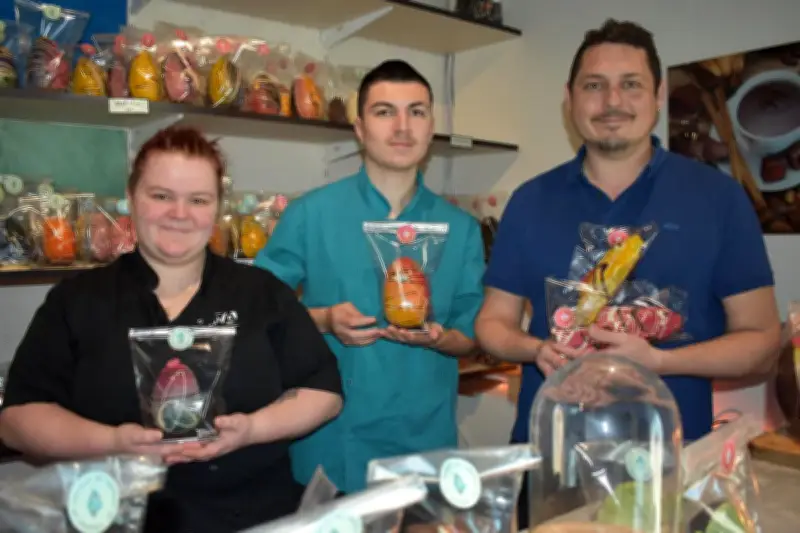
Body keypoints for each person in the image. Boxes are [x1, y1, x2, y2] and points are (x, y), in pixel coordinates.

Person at [473, 19, 781, 527]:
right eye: (594, 85)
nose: (612, 100)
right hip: (551, 465)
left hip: (673, 467)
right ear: (570, 98)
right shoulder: (530, 200)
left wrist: (659, 361)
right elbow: (492, 322)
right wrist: (536, 350)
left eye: (630, 84)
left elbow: (762, 342)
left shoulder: (718, 198)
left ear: (658, 95)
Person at [0, 126, 343, 533]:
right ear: (131, 198)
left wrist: (251, 430)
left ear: (217, 208)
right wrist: (113, 442)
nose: (179, 214)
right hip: (115, 515)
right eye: (161, 196)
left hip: (252, 516)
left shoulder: (263, 294)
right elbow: (18, 420)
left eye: (198, 200)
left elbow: (324, 392)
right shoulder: (77, 301)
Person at [255, 59, 485, 494]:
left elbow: (470, 333)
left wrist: (439, 338)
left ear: (431, 125)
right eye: (384, 112)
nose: (402, 126)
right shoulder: (310, 214)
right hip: (331, 447)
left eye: (416, 112)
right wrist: (324, 320)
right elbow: (260, 311)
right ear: (359, 128)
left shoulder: (461, 229)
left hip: (425, 448)